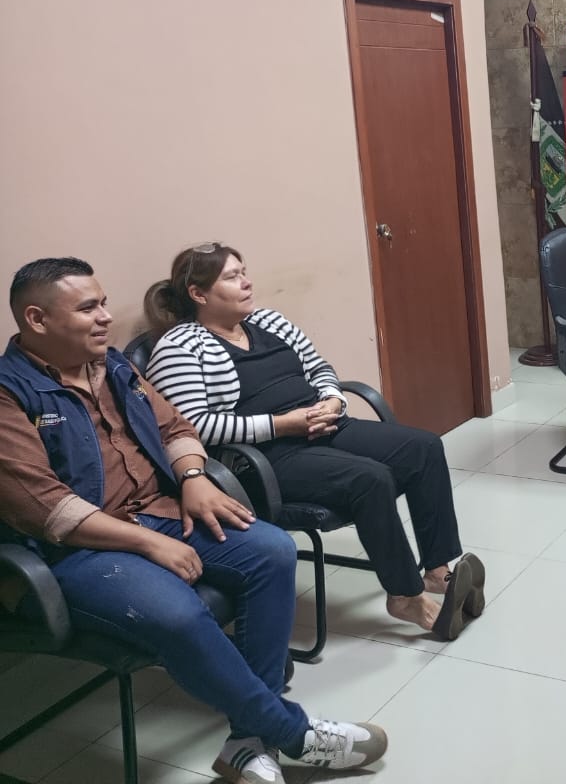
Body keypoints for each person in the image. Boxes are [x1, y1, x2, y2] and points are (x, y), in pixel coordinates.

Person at [0, 258, 388, 784]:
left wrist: (192, 478)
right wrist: (147, 544)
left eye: (104, 303)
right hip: (74, 550)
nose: (106, 317)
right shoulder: (9, 392)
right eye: (89, 308)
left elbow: (175, 427)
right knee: (181, 614)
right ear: (37, 319)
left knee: (272, 550)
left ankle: (246, 742)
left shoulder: (111, 366)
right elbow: (46, 508)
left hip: (156, 511)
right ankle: (292, 733)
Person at [144, 243, 483, 642]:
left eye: (244, 271)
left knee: (422, 448)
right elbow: (191, 426)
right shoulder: (180, 347)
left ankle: (437, 571)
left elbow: (319, 367)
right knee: (370, 478)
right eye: (232, 277)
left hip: (322, 425)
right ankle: (405, 596)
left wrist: (333, 400)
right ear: (198, 294)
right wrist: (280, 425)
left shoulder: (269, 321)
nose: (246, 282)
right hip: (266, 457)